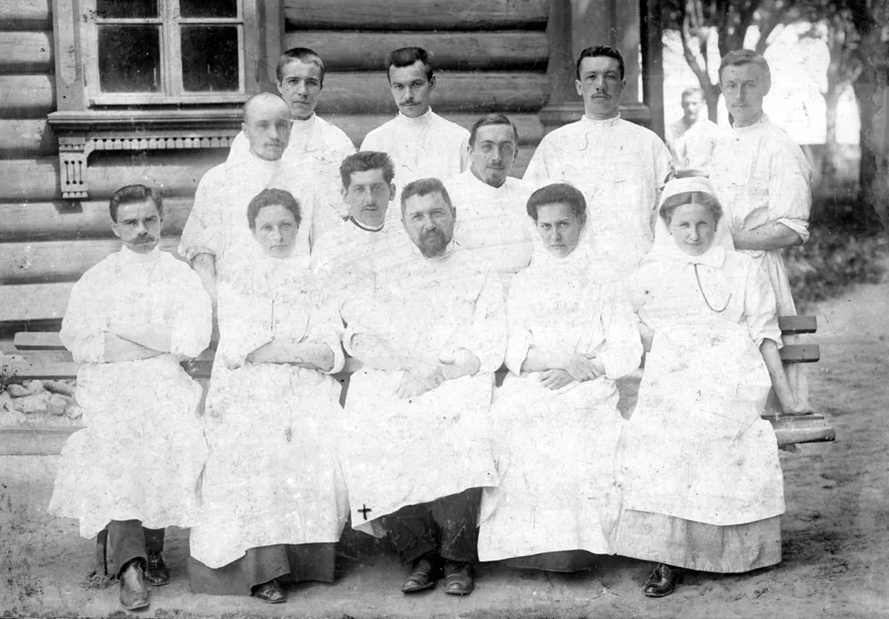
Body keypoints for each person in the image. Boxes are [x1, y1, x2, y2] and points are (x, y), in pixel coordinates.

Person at [614, 178, 807, 598]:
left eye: (703, 223)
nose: (694, 235)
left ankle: (731, 553)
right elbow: (622, 321)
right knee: (664, 432)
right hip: (674, 376)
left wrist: (788, 398)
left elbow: (764, 334)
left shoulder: (742, 269)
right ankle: (666, 556)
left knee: (716, 431)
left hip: (732, 378)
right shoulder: (650, 273)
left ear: (716, 223)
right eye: (683, 225)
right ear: (667, 225)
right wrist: (659, 339)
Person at [337, 178, 504, 596]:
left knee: (461, 424)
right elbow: (358, 334)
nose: (428, 224)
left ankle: (457, 558)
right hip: (401, 374)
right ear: (404, 223)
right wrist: (409, 365)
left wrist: (439, 374)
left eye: (436, 213)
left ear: (453, 215)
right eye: (417, 216)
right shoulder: (384, 271)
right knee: (371, 422)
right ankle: (419, 555)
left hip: (457, 376)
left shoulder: (479, 270)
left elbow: (491, 340)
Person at [48, 185, 211, 611]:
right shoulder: (99, 278)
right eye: (131, 222)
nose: (141, 230)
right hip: (111, 385)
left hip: (164, 382)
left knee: (169, 435)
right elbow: (81, 340)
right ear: (114, 227)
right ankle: (130, 566)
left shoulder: (179, 276)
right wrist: (156, 341)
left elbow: (194, 337)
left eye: (149, 220)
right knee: (119, 443)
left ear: (162, 219)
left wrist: (122, 334)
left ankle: (153, 548)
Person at [188, 189, 349, 604]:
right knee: (254, 443)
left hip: (307, 385)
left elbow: (331, 352)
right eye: (267, 228)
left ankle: (306, 563)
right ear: (253, 232)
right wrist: (299, 351)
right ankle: (263, 569)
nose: (277, 236)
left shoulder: (317, 278)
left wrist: (281, 349)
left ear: (298, 226)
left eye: (285, 226)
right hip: (250, 384)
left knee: (317, 435)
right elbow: (242, 350)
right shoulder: (238, 281)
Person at [477, 183, 642, 572]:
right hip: (536, 380)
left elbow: (627, 348)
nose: (555, 236)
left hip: (589, 384)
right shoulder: (525, 282)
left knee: (574, 427)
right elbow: (513, 350)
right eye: (546, 226)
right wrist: (562, 361)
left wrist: (584, 369)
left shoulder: (605, 279)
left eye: (564, 224)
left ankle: (578, 548)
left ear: (581, 222)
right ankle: (525, 547)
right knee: (511, 420)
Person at [709, 49, 813, 412]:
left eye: (749, 85)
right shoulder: (720, 142)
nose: (739, 96)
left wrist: (726, 241)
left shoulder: (779, 146)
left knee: (763, 397)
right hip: (718, 273)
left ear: (766, 85)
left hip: (759, 273)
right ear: (721, 89)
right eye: (731, 86)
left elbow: (792, 229)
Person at [524, 45, 673, 273]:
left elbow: (666, 213)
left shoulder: (649, 143)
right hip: (574, 270)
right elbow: (533, 213)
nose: (600, 85)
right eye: (591, 77)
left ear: (622, 85)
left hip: (636, 268)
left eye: (610, 77)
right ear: (579, 86)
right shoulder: (555, 144)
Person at [180, 92, 316, 313]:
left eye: (281, 126)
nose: (274, 135)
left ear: (291, 128)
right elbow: (202, 254)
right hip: (237, 305)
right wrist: (214, 308)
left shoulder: (305, 180)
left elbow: (322, 246)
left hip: (295, 302)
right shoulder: (218, 180)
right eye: (263, 126)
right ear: (245, 131)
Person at [226, 48, 355, 224]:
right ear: (279, 85)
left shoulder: (337, 141)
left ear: (320, 88)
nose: (302, 91)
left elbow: (349, 203)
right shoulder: (248, 140)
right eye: (293, 81)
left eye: (311, 83)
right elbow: (236, 199)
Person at [360, 47, 469, 217]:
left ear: (432, 83)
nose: (408, 95)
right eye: (399, 86)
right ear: (391, 87)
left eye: (416, 84)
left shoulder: (459, 138)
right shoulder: (375, 141)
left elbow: (469, 201)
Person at [444, 113, 535, 288]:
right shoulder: (447, 196)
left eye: (506, 148)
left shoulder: (529, 194)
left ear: (515, 154)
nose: (496, 157)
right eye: (487, 147)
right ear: (470, 152)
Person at [310, 150, 408, 294]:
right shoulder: (329, 246)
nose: (370, 199)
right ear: (345, 195)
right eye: (359, 189)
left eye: (377, 188)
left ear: (392, 192)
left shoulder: (407, 237)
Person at [666, 87, 722, 177]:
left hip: (704, 180)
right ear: (682, 105)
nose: (690, 108)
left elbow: (719, 164)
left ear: (702, 104)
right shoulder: (670, 130)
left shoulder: (713, 130)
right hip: (678, 180)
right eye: (687, 104)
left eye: (694, 103)